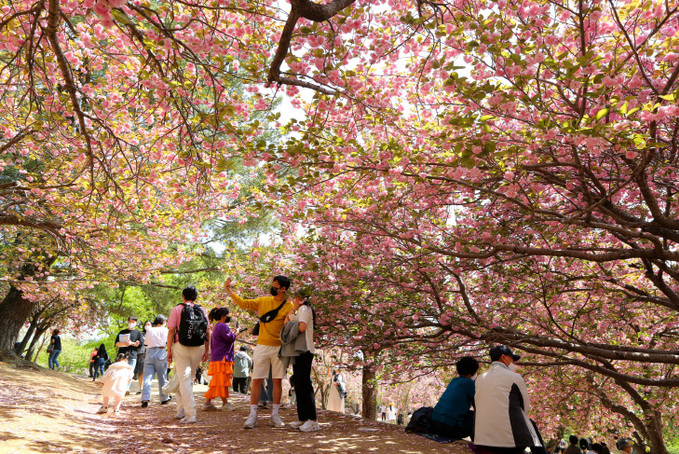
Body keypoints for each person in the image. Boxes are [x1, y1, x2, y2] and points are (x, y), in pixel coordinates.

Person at [224, 275, 294, 429]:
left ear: (284, 289)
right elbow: (243, 303)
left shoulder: (289, 306)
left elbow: (291, 326)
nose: (272, 288)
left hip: (279, 348)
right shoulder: (263, 301)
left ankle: (275, 415)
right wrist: (229, 290)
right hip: (262, 346)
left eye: (276, 285)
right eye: (273, 284)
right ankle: (252, 415)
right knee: (257, 379)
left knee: (277, 381)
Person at [473, 345, 547, 454]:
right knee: (530, 424)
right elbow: (525, 409)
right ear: (504, 357)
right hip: (508, 445)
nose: (513, 363)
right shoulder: (515, 377)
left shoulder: (479, 379)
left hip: (481, 441)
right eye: (512, 360)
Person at [166, 285, 210, 424]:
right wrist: (206, 351)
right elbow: (207, 332)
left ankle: (190, 414)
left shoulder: (177, 309)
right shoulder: (202, 310)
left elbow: (171, 331)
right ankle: (181, 410)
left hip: (181, 346)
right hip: (198, 347)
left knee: (183, 379)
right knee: (187, 379)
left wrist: (169, 350)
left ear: (183, 296)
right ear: (196, 297)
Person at [280, 294, 319, 432]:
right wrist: (293, 311)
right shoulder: (301, 310)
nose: (293, 300)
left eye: (295, 298)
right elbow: (286, 323)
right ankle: (303, 418)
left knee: (304, 384)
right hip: (300, 350)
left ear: (300, 298)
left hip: (304, 350)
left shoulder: (304, 310)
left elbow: (301, 327)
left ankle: (312, 420)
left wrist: (294, 312)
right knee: (299, 383)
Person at [428, 356, 479, 438]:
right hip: (448, 428)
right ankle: (477, 442)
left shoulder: (454, 381)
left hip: (435, 423)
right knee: (475, 417)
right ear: (474, 370)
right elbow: (477, 406)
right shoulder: (470, 383)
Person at [203, 307, 236, 411]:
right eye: (227, 315)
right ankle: (225, 403)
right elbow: (230, 338)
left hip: (218, 357)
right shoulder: (222, 326)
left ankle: (208, 403)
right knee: (221, 380)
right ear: (223, 316)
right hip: (222, 357)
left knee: (218, 380)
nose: (228, 317)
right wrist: (237, 333)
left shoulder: (218, 326)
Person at [141, 314, 171, 408]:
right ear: (164, 322)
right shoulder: (166, 330)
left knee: (147, 377)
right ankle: (164, 397)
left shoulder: (149, 330)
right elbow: (167, 343)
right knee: (162, 376)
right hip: (161, 351)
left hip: (149, 352)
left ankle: (145, 398)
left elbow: (145, 344)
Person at [134, 320, 152, 394]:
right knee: (140, 371)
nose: (147, 325)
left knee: (149, 371)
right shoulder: (140, 334)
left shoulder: (154, 334)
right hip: (141, 353)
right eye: (146, 324)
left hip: (151, 353)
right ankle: (141, 388)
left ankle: (147, 388)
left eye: (149, 324)